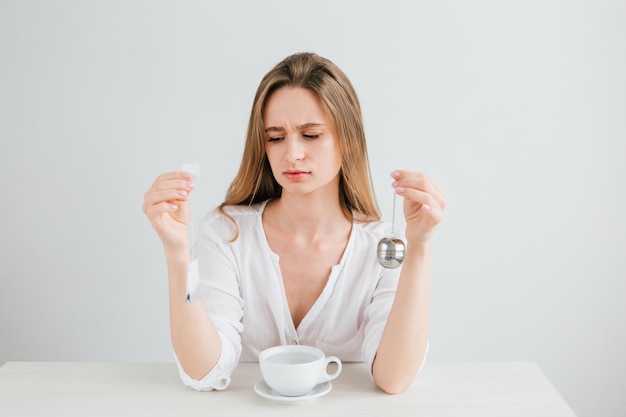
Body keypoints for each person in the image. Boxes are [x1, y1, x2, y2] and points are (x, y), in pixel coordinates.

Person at [142, 52, 446, 394]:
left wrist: (420, 246)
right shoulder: (225, 233)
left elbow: (394, 378)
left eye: (311, 135)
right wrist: (179, 256)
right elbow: (203, 371)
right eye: (275, 137)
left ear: (348, 140)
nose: (292, 154)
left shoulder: (381, 246)